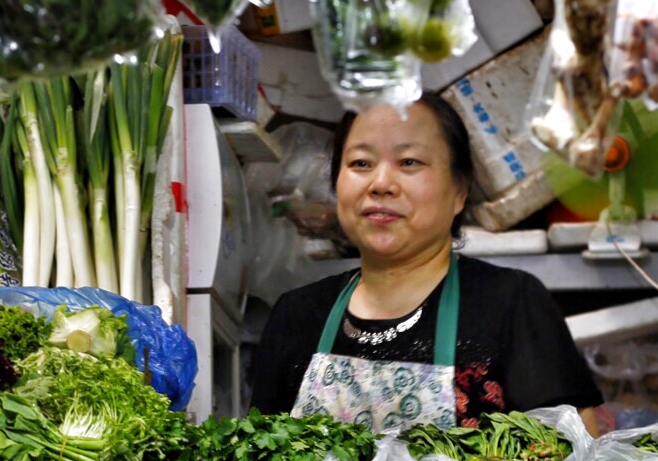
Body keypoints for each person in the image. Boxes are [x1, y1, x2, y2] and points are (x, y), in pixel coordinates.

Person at [250, 92, 598, 433]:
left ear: (459, 190)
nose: (381, 183)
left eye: (409, 162)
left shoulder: (510, 302)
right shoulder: (296, 316)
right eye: (360, 163)